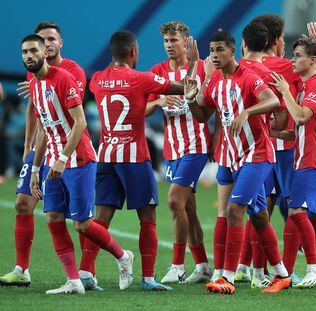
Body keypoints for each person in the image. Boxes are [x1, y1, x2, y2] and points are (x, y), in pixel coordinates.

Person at [20, 34, 134, 295]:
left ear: (44, 53)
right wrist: (36, 168)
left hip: (78, 160)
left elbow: (81, 123)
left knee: (81, 224)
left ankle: (123, 256)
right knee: (53, 217)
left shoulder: (63, 78)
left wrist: (61, 158)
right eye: (25, 52)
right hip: (52, 163)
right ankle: (73, 281)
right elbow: (44, 130)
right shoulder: (34, 86)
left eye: (34, 50)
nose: (29, 56)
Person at [84, 30, 196, 291]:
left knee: (101, 219)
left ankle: (86, 272)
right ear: (134, 52)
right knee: (147, 217)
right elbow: (188, 90)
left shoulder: (98, 80)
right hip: (134, 157)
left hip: (107, 156)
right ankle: (147, 279)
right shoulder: (141, 79)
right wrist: (192, 64)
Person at [186, 31, 291, 295]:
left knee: (234, 210)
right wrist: (190, 99)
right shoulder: (214, 83)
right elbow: (201, 116)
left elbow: (273, 100)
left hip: (257, 154)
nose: (214, 55)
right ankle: (282, 274)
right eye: (211, 50)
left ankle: (227, 278)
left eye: (219, 49)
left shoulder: (248, 76)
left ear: (233, 51)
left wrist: (247, 111)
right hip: (234, 157)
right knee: (257, 216)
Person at [0, 21, 87, 287]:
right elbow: (34, 110)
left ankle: (87, 272)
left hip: (69, 152)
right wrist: (28, 146)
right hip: (41, 148)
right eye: (41, 40)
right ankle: (21, 269)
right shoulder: (33, 70)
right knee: (22, 203)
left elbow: (74, 116)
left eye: (50, 39)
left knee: (80, 220)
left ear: (60, 43)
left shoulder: (72, 72)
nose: (45, 44)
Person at [146, 21, 211, 284]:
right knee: (189, 208)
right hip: (172, 149)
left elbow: (211, 101)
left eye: (174, 40)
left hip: (196, 145)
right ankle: (204, 265)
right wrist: (159, 100)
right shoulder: (157, 71)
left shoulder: (202, 66)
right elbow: (144, 107)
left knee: (174, 201)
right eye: (166, 41)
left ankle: (177, 265)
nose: (170, 45)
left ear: (186, 41)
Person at [270, 36, 316, 289]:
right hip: (305, 156)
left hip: (312, 158)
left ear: (312, 60)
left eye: (297, 56)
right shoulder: (309, 85)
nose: (292, 60)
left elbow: (302, 117)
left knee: (296, 211)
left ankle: (313, 269)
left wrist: (285, 91)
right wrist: (273, 133)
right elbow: (298, 130)